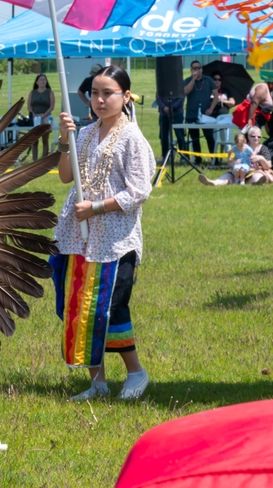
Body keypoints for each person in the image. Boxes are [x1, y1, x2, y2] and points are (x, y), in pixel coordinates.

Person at [52, 66, 156, 403]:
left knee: (110, 307)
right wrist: (63, 139)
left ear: (125, 96)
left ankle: (136, 373)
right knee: (81, 306)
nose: (100, 99)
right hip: (78, 236)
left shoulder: (132, 138)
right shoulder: (83, 134)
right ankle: (97, 383)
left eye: (108, 93)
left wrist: (96, 208)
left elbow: (139, 191)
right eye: (95, 92)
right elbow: (66, 177)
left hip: (114, 239)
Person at [199, 125, 273, 186]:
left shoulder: (263, 148)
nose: (256, 138)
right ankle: (213, 183)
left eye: (258, 137)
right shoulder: (240, 147)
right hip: (238, 171)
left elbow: (268, 166)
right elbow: (230, 164)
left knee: (257, 176)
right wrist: (233, 162)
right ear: (248, 137)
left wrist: (261, 158)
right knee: (228, 176)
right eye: (253, 136)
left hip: (255, 171)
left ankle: (255, 182)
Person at [183, 60, 219, 165]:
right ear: (191, 70)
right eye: (194, 68)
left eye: (198, 68)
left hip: (206, 114)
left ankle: (214, 159)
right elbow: (186, 91)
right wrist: (194, 78)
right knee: (195, 138)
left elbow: (216, 95)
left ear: (202, 69)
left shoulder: (208, 80)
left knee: (209, 137)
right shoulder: (188, 80)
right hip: (191, 113)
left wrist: (211, 109)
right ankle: (198, 160)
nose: (197, 70)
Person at [29, 73, 55, 159]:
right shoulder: (33, 92)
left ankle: (44, 159)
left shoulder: (49, 92)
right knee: (34, 140)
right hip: (35, 118)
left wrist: (44, 115)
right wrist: (33, 114)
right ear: (37, 82)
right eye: (41, 80)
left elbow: (52, 106)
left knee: (45, 139)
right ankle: (34, 160)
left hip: (46, 117)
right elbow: (29, 106)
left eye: (44, 80)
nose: (43, 81)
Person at [153, 94, 185, 161]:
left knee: (180, 135)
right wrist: (164, 107)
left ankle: (184, 156)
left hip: (177, 113)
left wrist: (172, 107)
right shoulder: (162, 83)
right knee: (163, 136)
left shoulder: (178, 84)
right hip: (163, 113)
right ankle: (165, 157)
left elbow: (181, 97)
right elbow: (158, 97)